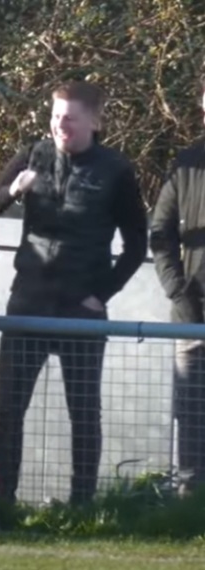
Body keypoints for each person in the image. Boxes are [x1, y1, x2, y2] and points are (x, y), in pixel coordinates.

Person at [0, 80, 148, 506]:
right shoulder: (33, 155)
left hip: (81, 307)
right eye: (55, 116)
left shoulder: (115, 170)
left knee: (83, 413)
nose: (60, 125)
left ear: (94, 122)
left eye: (71, 119)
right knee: (8, 411)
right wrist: (12, 191)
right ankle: (1, 502)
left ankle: (82, 504)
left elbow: (137, 245)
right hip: (28, 302)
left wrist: (102, 294)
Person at [150, 77, 205, 495]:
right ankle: (189, 496)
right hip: (192, 318)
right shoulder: (187, 164)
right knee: (190, 412)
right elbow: (160, 233)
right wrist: (176, 290)